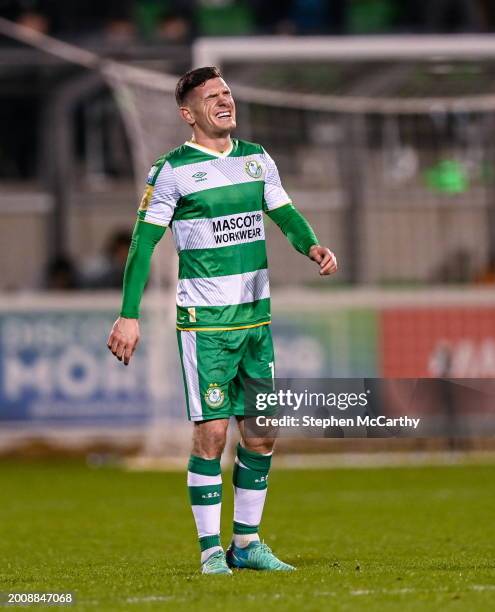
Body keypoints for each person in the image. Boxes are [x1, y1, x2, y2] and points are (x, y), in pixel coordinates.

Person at [107, 66, 338, 575]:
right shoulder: (172, 170)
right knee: (212, 434)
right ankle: (212, 550)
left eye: (227, 92)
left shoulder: (258, 159)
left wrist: (311, 244)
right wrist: (128, 315)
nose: (225, 101)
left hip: (257, 322)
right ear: (188, 114)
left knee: (261, 434)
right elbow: (143, 244)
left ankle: (247, 544)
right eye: (212, 97)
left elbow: (285, 213)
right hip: (207, 325)